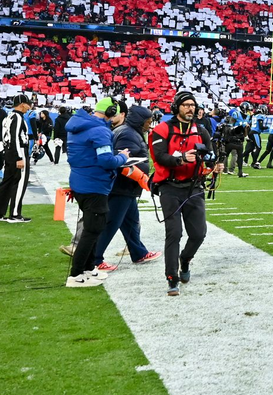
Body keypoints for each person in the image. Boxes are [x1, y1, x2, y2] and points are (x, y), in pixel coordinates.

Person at [150, 91, 220, 297]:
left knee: (199, 233)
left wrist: (215, 165)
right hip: (169, 187)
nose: (190, 108)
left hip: (194, 187)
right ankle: (172, 277)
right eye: (186, 105)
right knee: (174, 233)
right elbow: (159, 156)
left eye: (193, 105)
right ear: (176, 107)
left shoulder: (201, 130)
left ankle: (185, 259)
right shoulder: (163, 129)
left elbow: (210, 155)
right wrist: (181, 159)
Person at [66, 97, 130, 288]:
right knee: (92, 230)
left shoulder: (80, 126)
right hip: (94, 185)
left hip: (81, 181)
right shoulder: (100, 130)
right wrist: (122, 157)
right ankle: (76, 275)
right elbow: (106, 161)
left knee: (94, 228)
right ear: (110, 111)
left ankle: (88, 268)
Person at [92, 105, 162, 273]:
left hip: (127, 187)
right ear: (140, 121)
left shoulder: (128, 131)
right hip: (122, 186)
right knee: (111, 223)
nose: (149, 125)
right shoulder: (128, 134)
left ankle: (139, 253)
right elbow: (120, 160)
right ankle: (95, 259)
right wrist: (141, 176)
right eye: (148, 121)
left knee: (130, 222)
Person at [0, 95, 33, 223]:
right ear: (22, 104)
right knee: (20, 183)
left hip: (8, 151)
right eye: (28, 104)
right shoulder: (18, 117)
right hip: (19, 152)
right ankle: (15, 214)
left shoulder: (8, 117)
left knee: (6, 182)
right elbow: (15, 138)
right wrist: (19, 157)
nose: (29, 107)